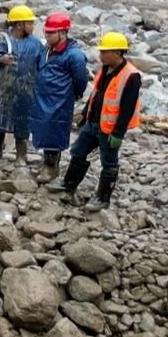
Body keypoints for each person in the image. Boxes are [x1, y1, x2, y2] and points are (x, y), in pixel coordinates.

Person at [50, 32, 142, 210]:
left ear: (117, 53)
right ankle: (69, 184)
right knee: (78, 151)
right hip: (93, 122)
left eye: (104, 52)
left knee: (109, 162)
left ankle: (103, 198)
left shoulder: (131, 76)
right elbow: (96, 93)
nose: (100, 56)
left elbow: (127, 108)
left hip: (110, 128)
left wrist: (118, 133)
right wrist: (85, 114)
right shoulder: (106, 68)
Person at [0, 5, 45, 164]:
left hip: (25, 89)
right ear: (18, 25)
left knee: (23, 122)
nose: (32, 26)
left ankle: (21, 156)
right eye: (29, 23)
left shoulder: (36, 44)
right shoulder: (0, 39)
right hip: (1, 88)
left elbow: (42, 65)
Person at [32, 13, 90, 184]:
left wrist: (74, 94)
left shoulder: (74, 55)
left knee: (54, 132)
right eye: (46, 33)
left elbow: (80, 79)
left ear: (63, 33)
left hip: (59, 100)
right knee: (42, 129)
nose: (47, 36)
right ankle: (46, 162)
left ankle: (52, 166)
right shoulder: (46, 50)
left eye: (51, 33)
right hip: (42, 97)